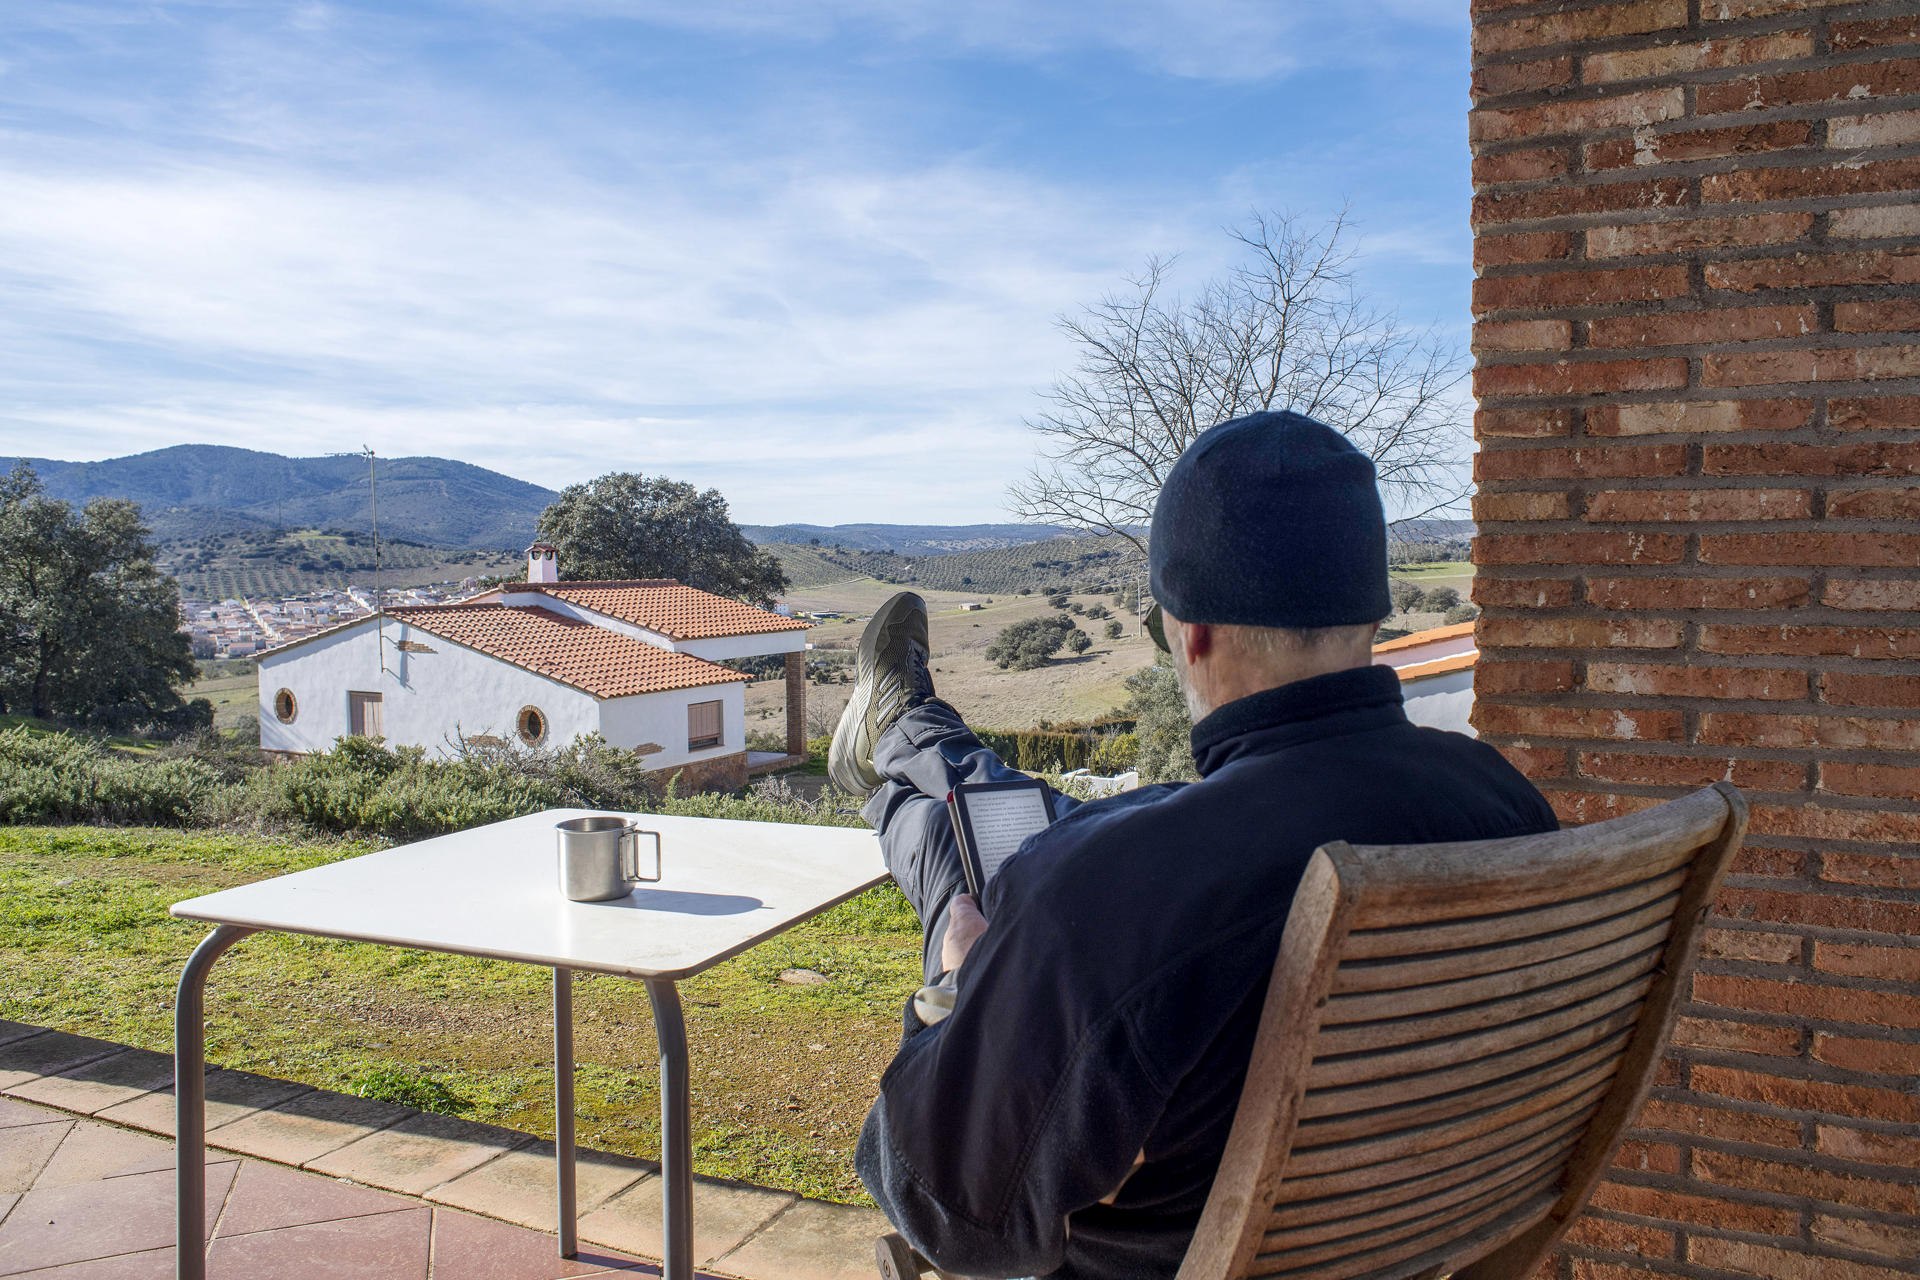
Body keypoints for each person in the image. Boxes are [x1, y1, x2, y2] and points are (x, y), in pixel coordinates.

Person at [829, 411, 1557, 1280]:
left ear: (1191, 634)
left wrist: (949, 990)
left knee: (972, 866)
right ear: (1371, 614)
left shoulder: (1110, 898)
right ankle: (910, 735)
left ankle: (903, 743)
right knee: (1035, 825)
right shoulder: (1504, 802)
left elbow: (945, 1212)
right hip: (1417, 1251)